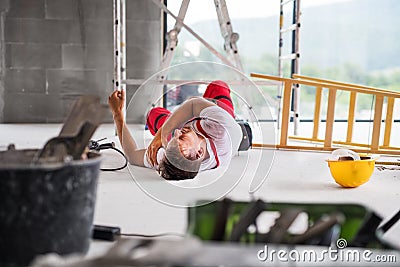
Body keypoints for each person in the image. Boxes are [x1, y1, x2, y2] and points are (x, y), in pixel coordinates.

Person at [108, 80, 243, 180]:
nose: (177, 132)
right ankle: (208, 108)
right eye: (181, 138)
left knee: (153, 114)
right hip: (221, 119)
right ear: (199, 153)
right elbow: (193, 103)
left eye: (172, 139)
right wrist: (163, 133)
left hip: (194, 125)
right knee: (218, 86)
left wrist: (117, 114)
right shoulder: (220, 129)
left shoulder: (170, 159)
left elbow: (132, 155)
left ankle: (177, 122)